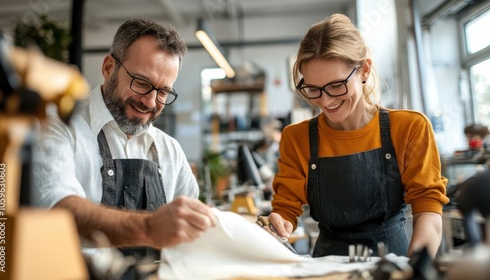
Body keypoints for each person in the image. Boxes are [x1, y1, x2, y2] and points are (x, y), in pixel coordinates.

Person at [263, 14, 449, 258]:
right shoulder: (296, 138)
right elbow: (285, 209)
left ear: (364, 70)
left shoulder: (409, 127)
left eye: (336, 85)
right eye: (313, 89)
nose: (325, 101)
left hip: (392, 266)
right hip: (327, 270)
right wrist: (276, 224)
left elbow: (428, 210)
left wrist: (414, 269)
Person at [31, 17, 217, 261]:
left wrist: (257, 229)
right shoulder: (56, 127)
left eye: (163, 92)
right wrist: (149, 228)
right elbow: (57, 210)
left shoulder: (169, 150)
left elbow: (194, 228)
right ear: (109, 68)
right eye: (141, 83)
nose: (150, 102)